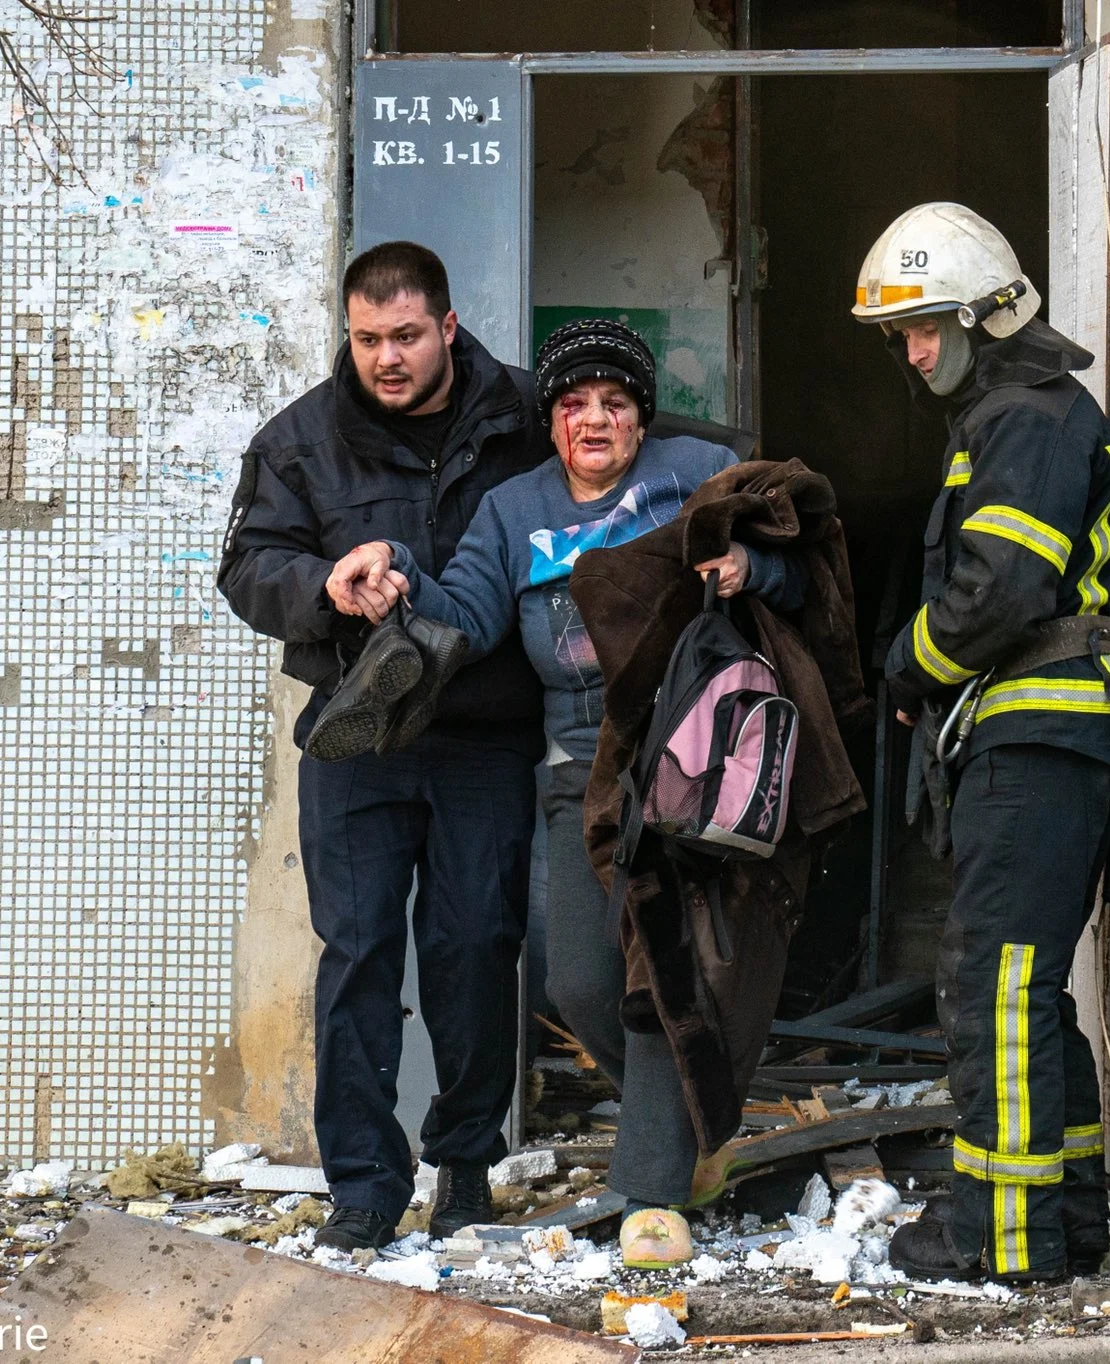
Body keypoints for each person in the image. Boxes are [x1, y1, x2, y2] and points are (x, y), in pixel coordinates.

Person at [324, 317, 804, 1267]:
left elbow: (805, 562)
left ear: (641, 418)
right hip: (575, 775)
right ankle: (695, 1127)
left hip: (691, 767)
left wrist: (756, 566)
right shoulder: (513, 511)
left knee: (661, 975)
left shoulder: (694, 475)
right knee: (577, 979)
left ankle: (650, 1191)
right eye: (576, 404)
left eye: (615, 403)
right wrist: (398, 576)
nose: (595, 419)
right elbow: (464, 612)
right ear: (549, 420)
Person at [850, 203, 1110, 1283]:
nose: (913, 350)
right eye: (902, 334)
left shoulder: (1023, 419)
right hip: (1043, 735)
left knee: (995, 982)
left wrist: (902, 666)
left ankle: (1004, 1236)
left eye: (928, 326)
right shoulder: (1017, 413)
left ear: (989, 314)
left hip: (1041, 733)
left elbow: (998, 594)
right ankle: (1066, 1221)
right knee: (1024, 984)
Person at [218, 241, 548, 1251]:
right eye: (366, 339)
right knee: (358, 951)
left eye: (405, 336)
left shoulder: (528, 417)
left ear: (447, 327)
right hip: (358, 736)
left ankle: (462, 1165)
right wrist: (326, 582)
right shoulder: (300, 441)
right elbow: (246, 567)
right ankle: (362, 1180)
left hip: (484, 731)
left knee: (475, 947)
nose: (385, 358)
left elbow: (610, 478)